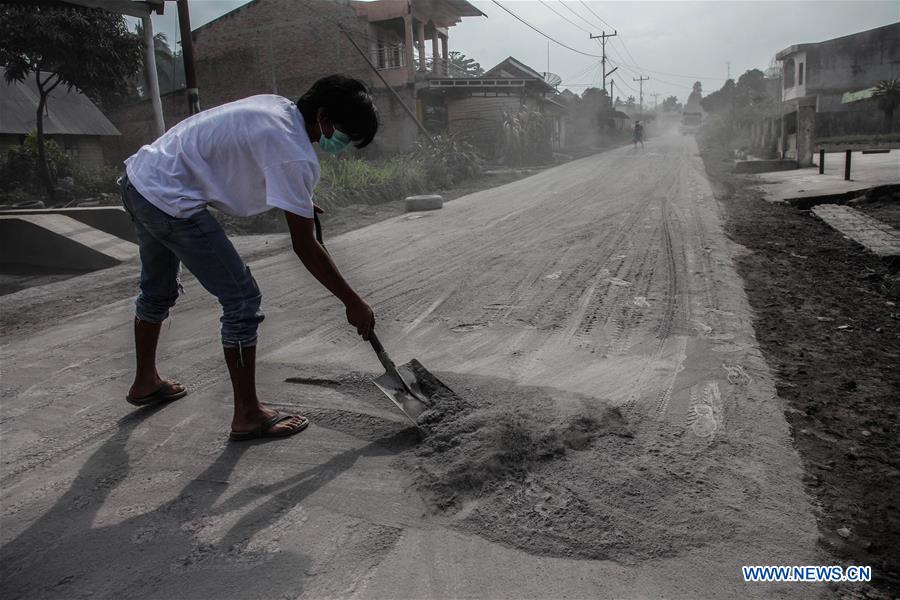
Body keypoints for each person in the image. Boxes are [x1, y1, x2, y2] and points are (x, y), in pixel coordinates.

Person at [120, 74, 378, 441]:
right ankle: (248, 414)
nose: (340, 144)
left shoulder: (276, 108)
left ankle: (145, 382)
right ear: (322, 118)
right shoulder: (293, 152)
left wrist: (297, 199)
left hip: (141, 181)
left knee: (157, 291)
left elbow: (249, 159)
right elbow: (304, 246)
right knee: (242, 299)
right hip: (170, 200)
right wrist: (353, 301)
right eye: (344, 133)